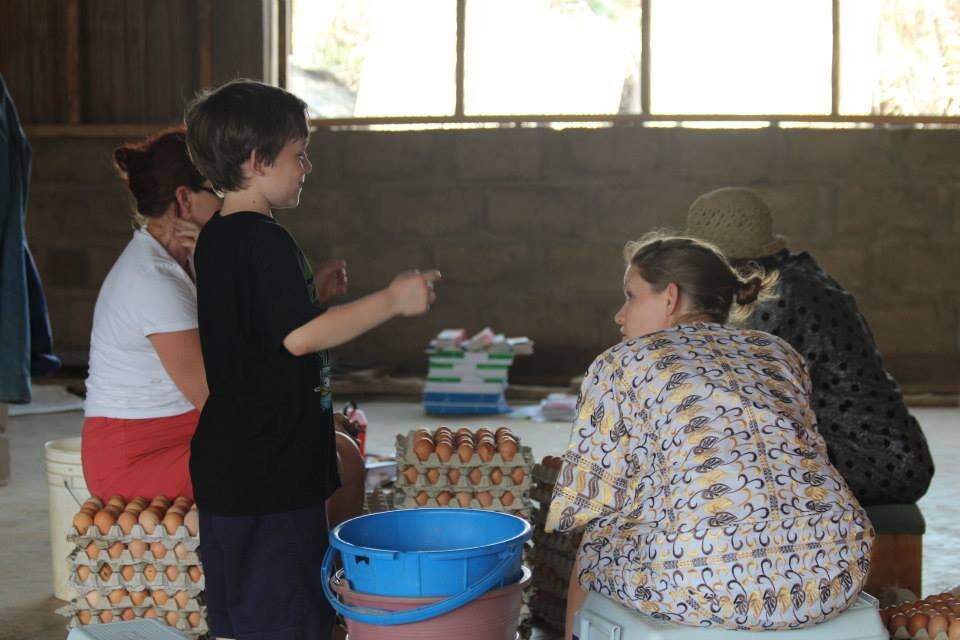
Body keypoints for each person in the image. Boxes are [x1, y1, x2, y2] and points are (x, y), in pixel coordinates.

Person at [184, 79, 440, 640]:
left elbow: (262, 330)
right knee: (288, 620)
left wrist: (313, 295)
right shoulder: (265, 241)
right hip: (270, 473)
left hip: (234, 466)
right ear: (257, 161)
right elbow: (299, 338)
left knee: (245, 620)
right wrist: (392, 301)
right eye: (299, 156)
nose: (306, 167)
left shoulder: (218, 237)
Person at [546, 233, 873, 635]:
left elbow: (583, 502)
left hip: (703, 582)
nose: (620, 314)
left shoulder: (622, 361)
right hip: (833, 569)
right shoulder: (779, 352)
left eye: (631, 296)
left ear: (669, 297)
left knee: (597, 538)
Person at [684, 187, 934, 505]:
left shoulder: (783, 295)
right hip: (883, 452)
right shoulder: (787, 276)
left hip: (876, 458)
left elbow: (736, 388)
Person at [82, 128, 221, 501]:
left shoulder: (189, 257)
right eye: (217, 190)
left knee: (325, 449)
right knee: (293, 461)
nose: (226, 201)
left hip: (183, 432)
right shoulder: (153, 280)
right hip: (138, 458)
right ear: (185, 198)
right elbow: (215, 398)